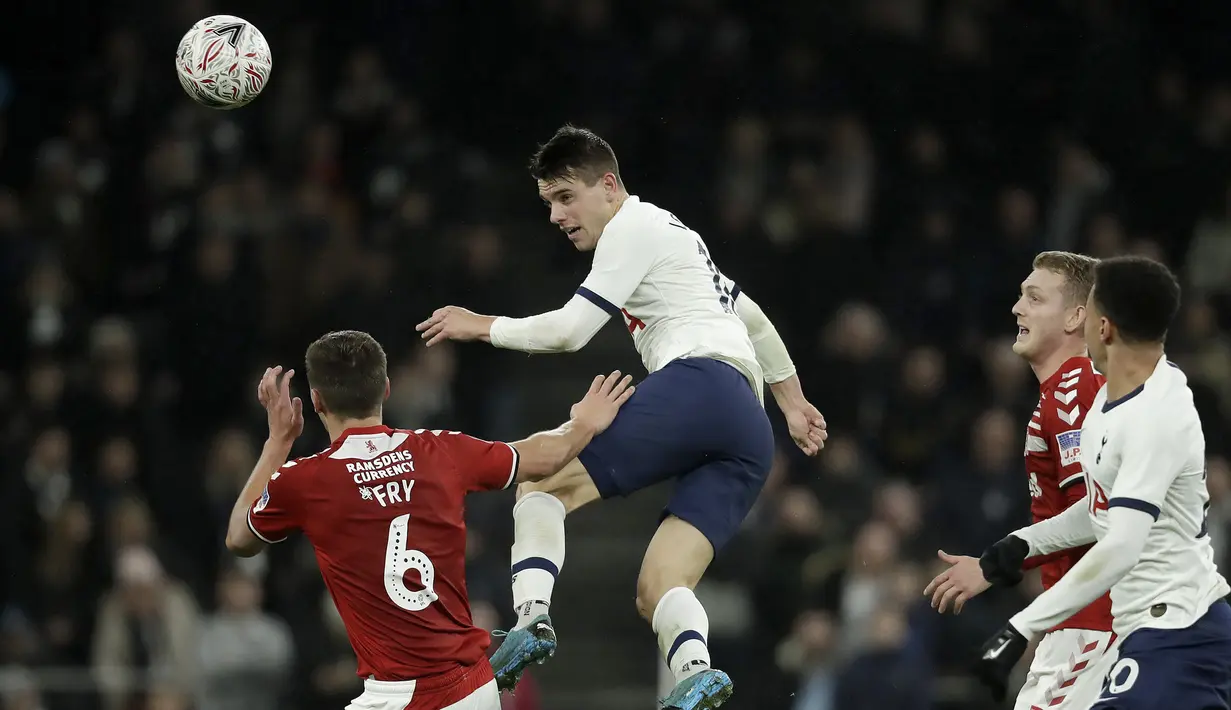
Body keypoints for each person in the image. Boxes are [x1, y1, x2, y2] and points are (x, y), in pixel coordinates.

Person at [415, 125, 827, 709]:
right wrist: (790, 401)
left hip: (698, 384)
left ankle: (530, 621)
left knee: (540, 479)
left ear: (609, 186)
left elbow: (568, 332)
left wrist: (480, 325)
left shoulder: (630, 227)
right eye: (547, 203)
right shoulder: (675, 235)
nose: (557, 216)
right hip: (746, 424)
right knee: (660, 585)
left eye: (565, 197)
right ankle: (694, 675)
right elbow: (751, 315)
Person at [223, 330, 634, 710]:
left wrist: (278, 441)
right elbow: (545, 455)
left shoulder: (305, 480)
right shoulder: (440, 450)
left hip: (404, 695)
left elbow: (239, 537)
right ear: (385, 388)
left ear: (315, 401)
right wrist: (585, 422)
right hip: (474, 687)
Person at [938, 256, 1231, 707]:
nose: (1017, 308)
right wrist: (1011, 551)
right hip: (1143, 628)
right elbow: (1098, 510)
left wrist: (1022, 626)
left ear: (1102, 326)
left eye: (1089, 311)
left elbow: (1117, 543)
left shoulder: (1143, 412)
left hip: (1167, 626)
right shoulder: (1109, 405)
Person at [925, 251, 1118, 709]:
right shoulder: (1064, 393)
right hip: (1085, 620)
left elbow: (1097, 513)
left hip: (1096, 623)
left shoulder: (1074, 392)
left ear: (1076, 317)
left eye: (1035, 298)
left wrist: (994, 564)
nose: (1018, 308)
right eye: (1019, 296)